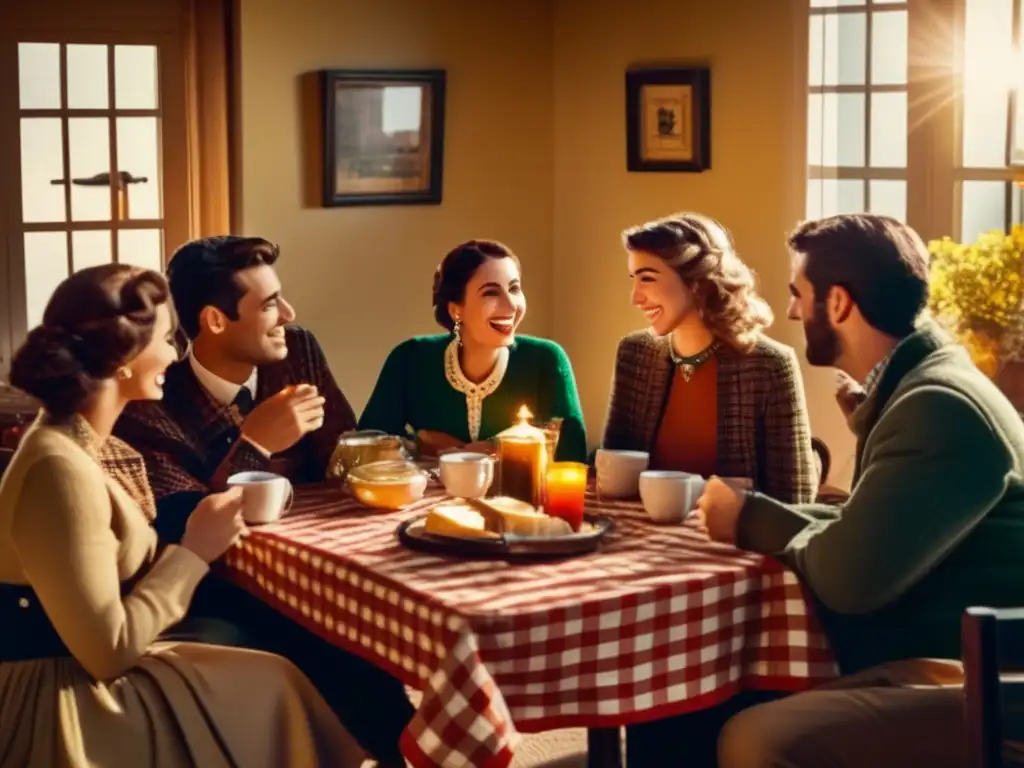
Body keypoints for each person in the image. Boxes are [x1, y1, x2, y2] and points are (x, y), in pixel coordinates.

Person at [0, 264, 364, 767]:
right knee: (275, 689)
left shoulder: (83, 444)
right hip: (64, 697)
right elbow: (108, 652)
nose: (175, 352)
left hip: (92, 662)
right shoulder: (58, 468)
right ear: (123, 359)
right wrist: (194, 550)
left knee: (289, 667)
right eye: (167, 338)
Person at [693, 214, 1024, 767]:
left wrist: (749, 518)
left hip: (990, 689)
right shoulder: (928, 379)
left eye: (800, 294)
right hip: (957, 660)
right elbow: (864, 528)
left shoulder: (938, 405)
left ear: (840, 304)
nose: (794, 311)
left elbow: (849, 578)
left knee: (756, 737)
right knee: (735, 691)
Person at [112, 236, 414, 766]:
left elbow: (343, 462)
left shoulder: (296, 350)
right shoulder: (153, 399)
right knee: (340, 652)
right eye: (270, 304)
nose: (288, 314)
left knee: (382, 629)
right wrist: (253, 444)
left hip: (312, 561)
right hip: (222, 587)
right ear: (214, 320)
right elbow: (192, 528)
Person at [603, 212, 817, 503]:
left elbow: (796, 500)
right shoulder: (635, 354)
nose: (635, 297)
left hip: (735, 544)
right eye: (634, 279)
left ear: (697, 282)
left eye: (647, 279)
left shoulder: (769, 365)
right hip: (643, 539)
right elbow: (615, 478)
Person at [359, 239, 588, 462]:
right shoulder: (410, 359)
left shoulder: (546, 360)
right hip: (427, 500)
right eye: (491, 293)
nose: (511, 306)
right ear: (456, 310)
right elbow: (366, 447)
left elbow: (572, 459)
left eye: (514, 288)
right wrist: (418, 445)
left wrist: (494, 448)